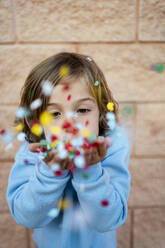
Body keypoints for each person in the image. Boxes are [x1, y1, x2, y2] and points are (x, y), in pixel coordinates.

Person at [6, 52, 131, 248]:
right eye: (55, 113)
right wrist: (50, 172)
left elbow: (108, 221)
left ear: (101, 113)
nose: (69, 125)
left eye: (82, 110)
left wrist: (90, 170)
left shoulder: (112, 146)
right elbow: (26, 217)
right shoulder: (33, 151)